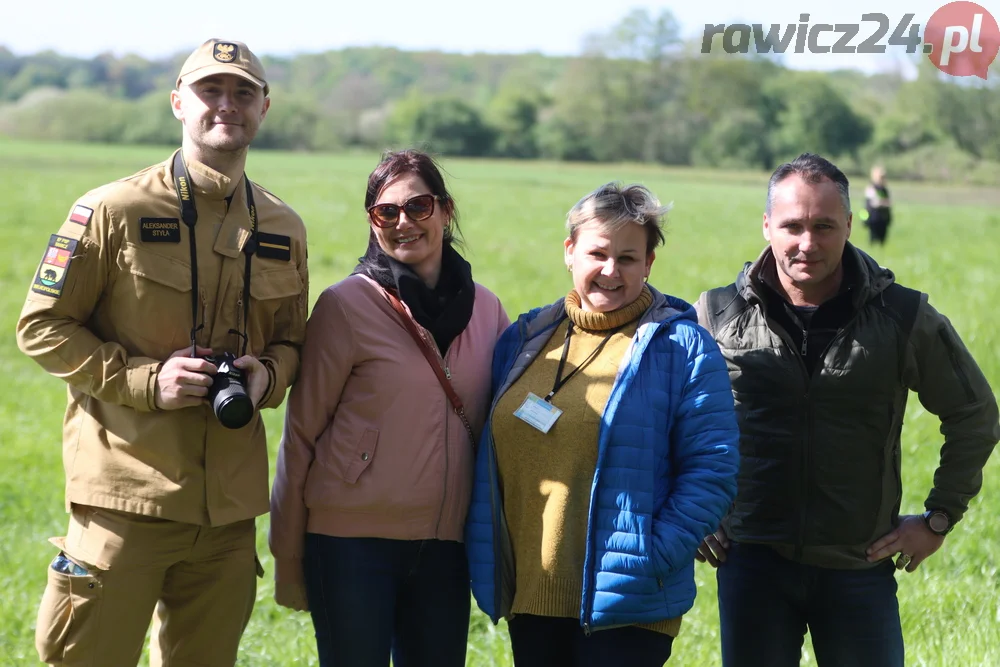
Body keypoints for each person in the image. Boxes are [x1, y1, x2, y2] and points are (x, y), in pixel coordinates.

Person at [16, 38, 308, 667]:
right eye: (210, 90)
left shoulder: (284, 228)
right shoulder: (110, 210)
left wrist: (266, 377)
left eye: (242, 93)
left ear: (264, 108)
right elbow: (42, 326)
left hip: (229, 516)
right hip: (125, 502)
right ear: (179, 101)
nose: (226, 104)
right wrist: (148, 382)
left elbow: (292, 345)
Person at [694, 153, 999, 667]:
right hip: (752, 563)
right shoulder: (717, 314)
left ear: (851, 226)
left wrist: (939, 517)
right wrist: (694, 512)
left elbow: (974, 413)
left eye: (824, 226)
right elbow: (666, 417)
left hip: (859, 564)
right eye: (792, 226)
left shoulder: (903, 316)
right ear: (767, 225)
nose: (806, 243)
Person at [466, 182, 741, 667]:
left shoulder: (684, 348)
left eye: (629, 258)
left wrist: (649, 558)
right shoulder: (524, 339)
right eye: (598, 253)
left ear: (650, 264)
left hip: (627, 605)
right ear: (570, 252)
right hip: (532, 596)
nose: (611, 271)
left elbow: (712, 470)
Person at [268, 149, 510, 667]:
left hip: (446, 545)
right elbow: (302, 435)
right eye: (387, 212)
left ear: (445, 211)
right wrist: (288, 557)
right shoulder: (345, 306)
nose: (404, 222)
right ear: (373, 222)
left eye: (419, 206)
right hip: (350, 544)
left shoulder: (487, 310)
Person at [863, 165, 892, 245]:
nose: (883, 179)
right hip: (873, 218)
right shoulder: (871, 188)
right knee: (873, 240)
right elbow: (873, 203)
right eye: (881, 177)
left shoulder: (885, 189)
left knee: (882, 241)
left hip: (883, 218)